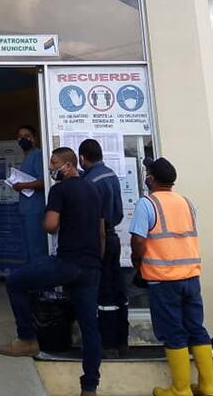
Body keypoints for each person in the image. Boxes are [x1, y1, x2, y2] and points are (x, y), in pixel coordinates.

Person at [0, 147, 103, 396]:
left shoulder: (59, 190)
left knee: (15, 282)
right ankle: (90, 387)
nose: (51, 167)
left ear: (68, 165)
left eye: (54, 163)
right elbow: (101, 232)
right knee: (90, 327)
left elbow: (50, 225)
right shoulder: (93, 189)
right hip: (91, 267)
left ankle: (27, 339)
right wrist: (97, 261)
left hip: (66, 263)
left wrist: (51, 217)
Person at [129, 157, 213, 396]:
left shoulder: (147, 203)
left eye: (147, 173)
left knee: (173, 331)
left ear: (151, 179)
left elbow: (138, 240)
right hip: (191, 277)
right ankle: (207, 386)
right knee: (196, 328)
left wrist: (137, 261)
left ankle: (180, 389)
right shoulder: (187, 203)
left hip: (163, 279)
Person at [79, 138, 128, 356]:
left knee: (102, 293)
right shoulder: (111, 175)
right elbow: (118, 211)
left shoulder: (89, 181)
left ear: (82, 158)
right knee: (117, 290)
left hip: (99, 240)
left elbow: (90, 218)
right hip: (113, 237)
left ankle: (107, 344)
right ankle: (121, 341)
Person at [11, 126, 47, 262]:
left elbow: (44, 181)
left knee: (36, 248)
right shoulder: (26, 158)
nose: (23, 139)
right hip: (26, 210)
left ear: (34, 138)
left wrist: (22, 186)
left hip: (35, 210)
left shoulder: (38, 155)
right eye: (20, 137)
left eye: (27, 136)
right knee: (28, 248)